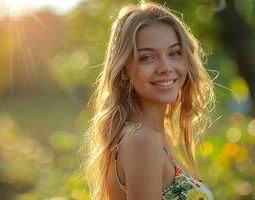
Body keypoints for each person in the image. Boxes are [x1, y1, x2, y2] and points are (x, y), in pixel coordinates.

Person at [80, 1, 215, 199]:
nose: (165, 67)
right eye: (147, 57)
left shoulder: (153, 134)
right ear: (124, 70)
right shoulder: (143, 140)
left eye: (174, 53)